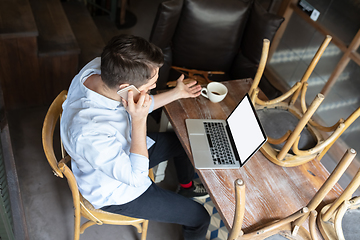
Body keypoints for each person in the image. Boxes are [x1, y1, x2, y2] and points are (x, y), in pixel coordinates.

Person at [60, 34, 210, 239]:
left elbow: (139, 104)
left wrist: (177, 93)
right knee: (200, 216)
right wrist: (138, 121)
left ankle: (186, 186)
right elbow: (135, 177)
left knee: (185, 141)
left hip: (123, 146)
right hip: (116, 187)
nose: (153, 89)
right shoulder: (90, 133)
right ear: (125, 89)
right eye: (148, 88)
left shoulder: (98, 69)